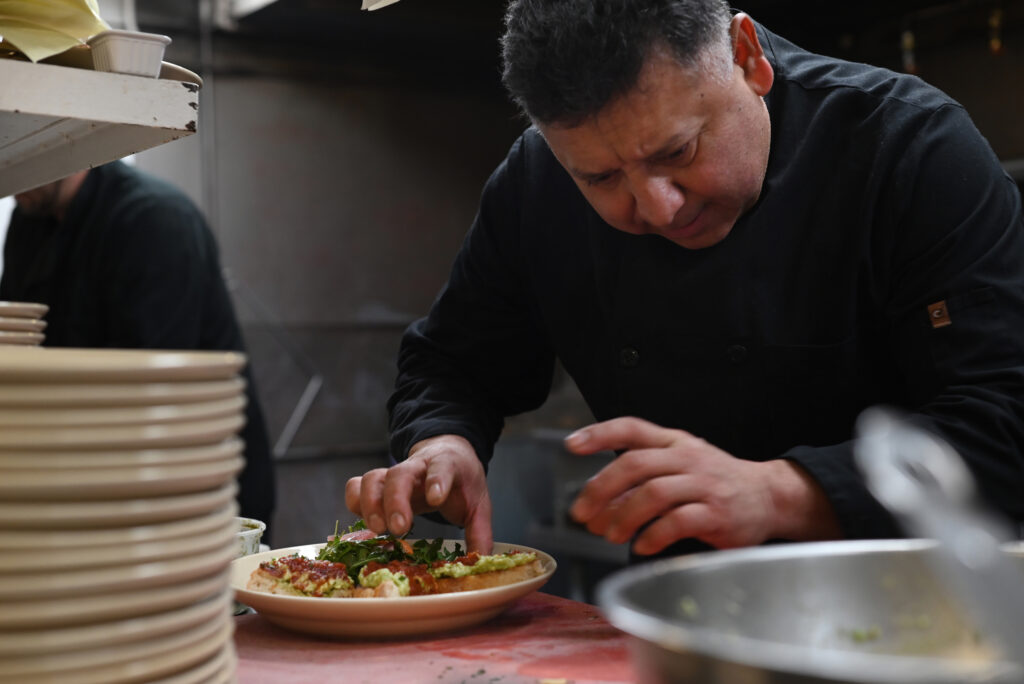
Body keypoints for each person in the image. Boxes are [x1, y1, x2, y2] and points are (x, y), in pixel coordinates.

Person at [347, 0, 1024, 558]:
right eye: (601, 178)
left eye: (678, 151)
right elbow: (453, 362)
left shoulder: (910, 149)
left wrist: (780, 493)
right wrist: (443, 443)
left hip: (928, 608)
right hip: (683, 613)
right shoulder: (534, 184)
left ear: (748, 56)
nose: (656, 206)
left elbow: (1005, 423)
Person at [2, 160, 276, 537]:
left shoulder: (153, 219)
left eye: (16, 157)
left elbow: (146, 391)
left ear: (60, 139)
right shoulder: (28, 220)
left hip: (193, 487)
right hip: (89, 480)